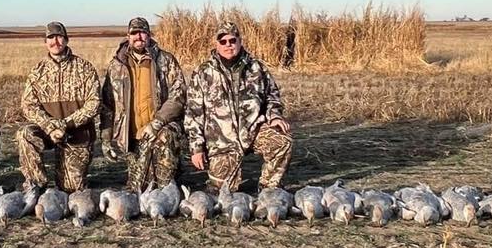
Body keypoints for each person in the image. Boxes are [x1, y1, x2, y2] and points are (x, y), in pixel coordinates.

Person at [184, 21, 293, 190]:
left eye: (232, 40)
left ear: (239, 41)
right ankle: (221, 181)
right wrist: (197, 148)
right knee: (223, 191)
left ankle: (269, 189)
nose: (228, 45)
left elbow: (272, 96)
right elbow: (193, 113)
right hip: (221, 140)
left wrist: (275, 115)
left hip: (253, 131)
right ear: (217, 44)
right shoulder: (203, 72)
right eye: (223, 41)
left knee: (282, 142)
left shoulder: (256, 68)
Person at [100, 16, 187, 190]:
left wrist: (157, 122)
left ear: (149, 35)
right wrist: (106, 138)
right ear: (128, 36)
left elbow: (178, 96)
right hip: (133, 136)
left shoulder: (165, 60)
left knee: (163, 186)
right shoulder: (117, 65)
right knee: (139, 187)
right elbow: (108, 105)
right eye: (135, 33)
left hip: (159, 129)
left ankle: (169, 174)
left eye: (143, 33)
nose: (139, 36)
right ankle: (161, 169)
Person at [16, 22, 101, 192]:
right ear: (45, 42)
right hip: (48, 131)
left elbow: (95, 103)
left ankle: (67, 179)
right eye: (50, 37)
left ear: (67, 39)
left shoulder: (84, 68)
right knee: (25, 134)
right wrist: (49, 126)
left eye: (59, 36)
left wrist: (65, 124)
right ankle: (36, 185)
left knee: (70, 189)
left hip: (76, 132)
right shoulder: (37, 71)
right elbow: (28, 106)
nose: (55, 41)